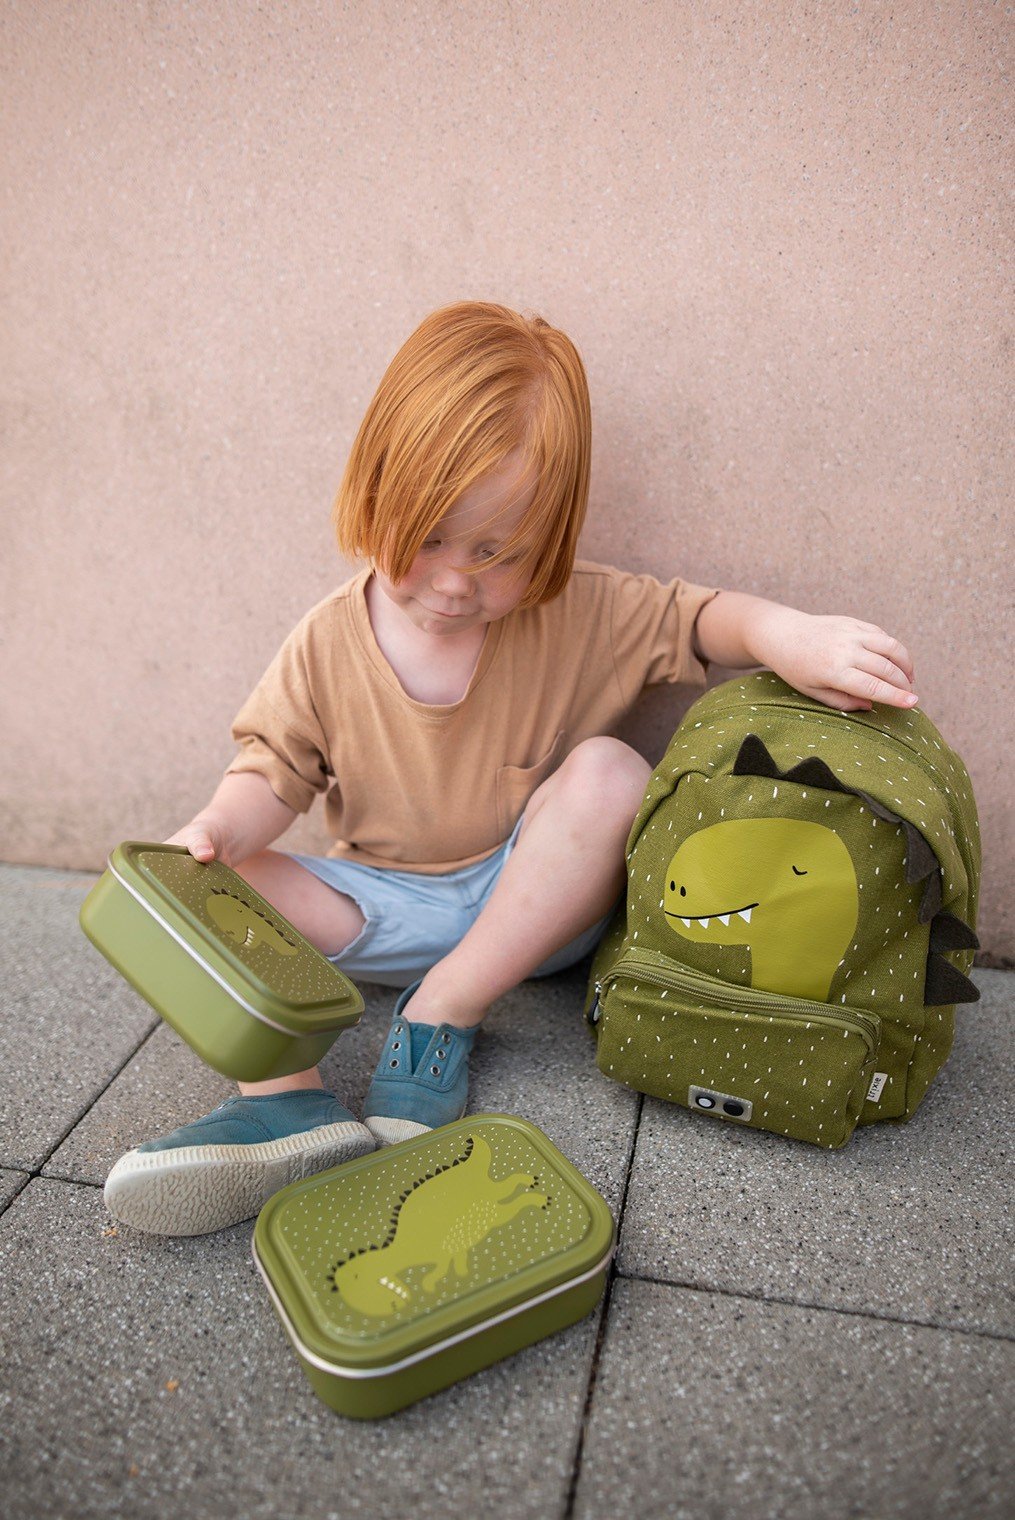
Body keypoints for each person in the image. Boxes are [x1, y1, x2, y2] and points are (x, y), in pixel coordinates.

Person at [103, 300, 919, 1236]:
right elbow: (271, 770)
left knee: (611, 771)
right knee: (210, 886)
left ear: (551, 537)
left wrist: (790, 634)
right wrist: (218, 830)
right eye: (430, 537)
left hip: (532, 902)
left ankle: (442, 1012)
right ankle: (285, 1102)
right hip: (378, 902)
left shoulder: (580, 608)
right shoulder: (329, 638)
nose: (455, 582)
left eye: (496, 552)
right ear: (373, 496)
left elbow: (698, 618)